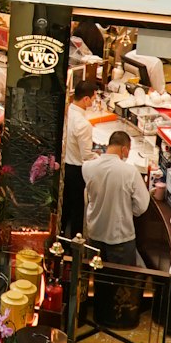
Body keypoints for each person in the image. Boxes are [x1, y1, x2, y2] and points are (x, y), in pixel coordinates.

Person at [83, 129, 151, 265]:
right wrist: (127, 209)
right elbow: (142, 206)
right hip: (120, 237)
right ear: (124, 149)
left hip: (95, 232)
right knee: (121, 279)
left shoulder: (87, 167)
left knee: (97, 278)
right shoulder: (130, 172)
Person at [62, 76, 100, 237]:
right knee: (77, 210)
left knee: (65, 208)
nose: (93, 103)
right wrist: (100, 157)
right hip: (77, 171)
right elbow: (86, 155)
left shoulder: (68, 111)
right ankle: (74, 245)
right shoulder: (84, 125)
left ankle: (62, 238)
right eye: (93, 99)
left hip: (65, 165)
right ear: (85, 99)